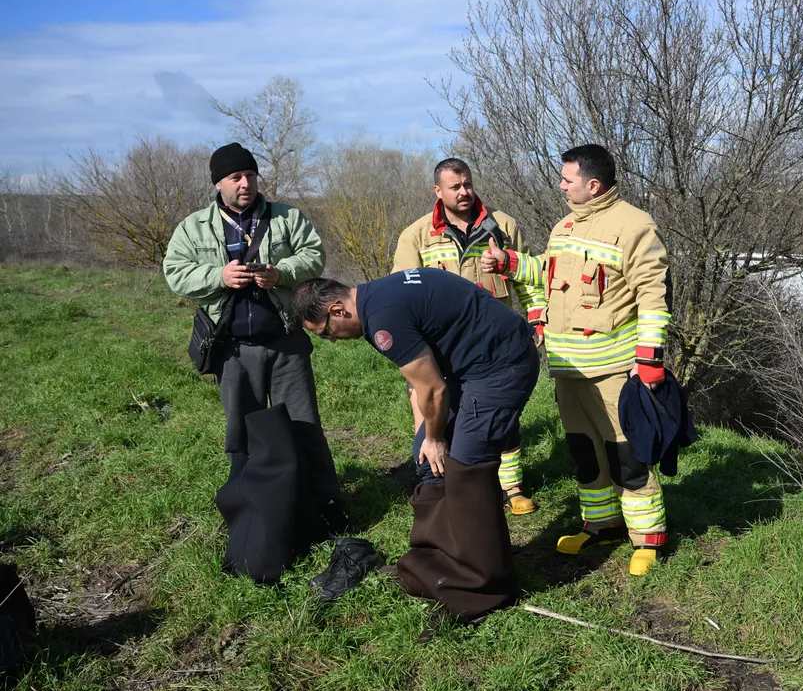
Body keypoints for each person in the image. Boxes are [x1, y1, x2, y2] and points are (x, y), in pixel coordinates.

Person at [291, 270, 540, 621]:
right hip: (465, 369)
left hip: (500, 366)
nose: (331, 340)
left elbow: (434, 389)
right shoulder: (374, 301)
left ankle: (484, 585)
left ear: (337, 310)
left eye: (325, 332)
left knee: (468, 463)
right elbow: (417, 382)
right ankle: (442, 559)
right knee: (426, 458)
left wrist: (438, 438)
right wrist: (425, 439)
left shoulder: (382, 317)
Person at [482, 143, 672, 576]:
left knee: (627, 454)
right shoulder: (564, 225)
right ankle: (601, 525)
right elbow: (549, 273)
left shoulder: (636, 226)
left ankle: (647, 539)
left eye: (567, 179)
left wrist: (649, 360)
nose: (561, 185)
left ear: (593, 184)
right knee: (586, 452)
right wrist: (509, 262)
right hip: (567, 367)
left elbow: (654, 298)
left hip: (614, 369)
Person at [163, 142, 352, 575]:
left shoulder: (286, 217)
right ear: (218, 183)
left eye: (250, 175)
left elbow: (314, 255)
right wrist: (219, 276)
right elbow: (175, 271)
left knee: (305, 428)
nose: (245, 183)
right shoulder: (195, 228)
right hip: (232, 349)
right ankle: (248, 513)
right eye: (235, 177)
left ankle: (326, 506)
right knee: (243, 437)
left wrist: (281, 273)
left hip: (286, 341)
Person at [392, 158, 546, 515]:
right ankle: (441, 486)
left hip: (494, 345)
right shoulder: (416, 235)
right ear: (437, 191)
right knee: (437, 416)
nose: (464, 192)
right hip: (441, 348)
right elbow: (400, 295)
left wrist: (537, 319)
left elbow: (527, 278)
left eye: (468, 184)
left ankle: (511, 487)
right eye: (455, 187)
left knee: (501, 413)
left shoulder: (502, 225)